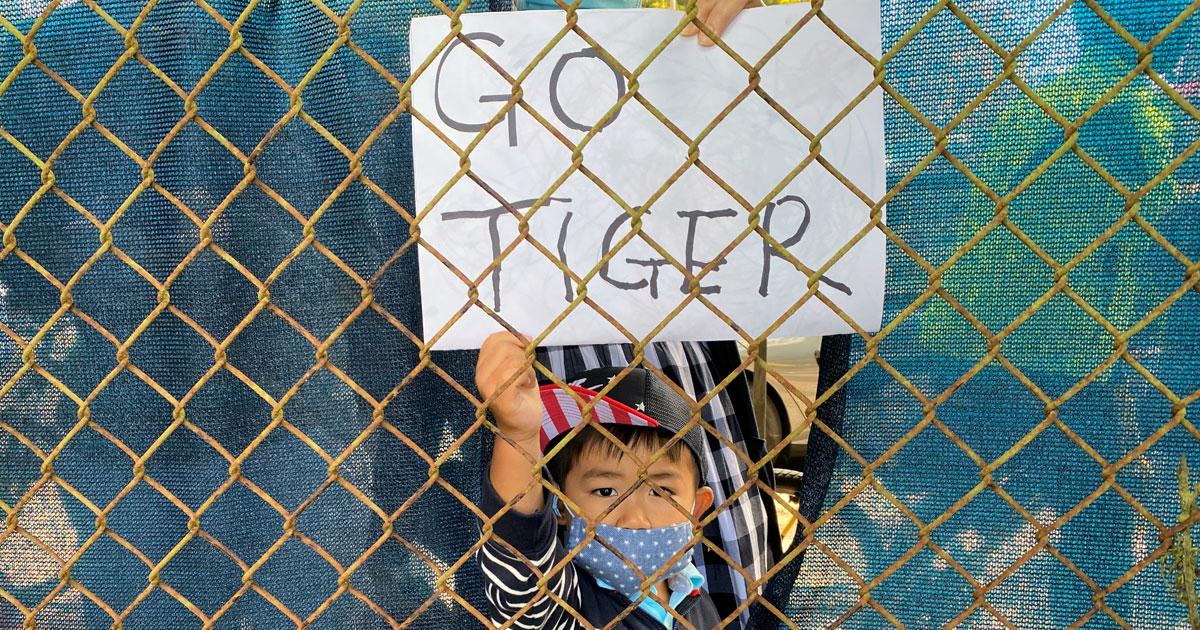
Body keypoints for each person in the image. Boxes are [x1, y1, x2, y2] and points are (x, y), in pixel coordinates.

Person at [475, 331, 724, 628]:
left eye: (660, 491)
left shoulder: (697, 598)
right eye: (606, 491)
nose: (634, 520)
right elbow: (521, 552)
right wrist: (517, 433)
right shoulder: (567, 602)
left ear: (697, 509)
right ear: (561, 505)